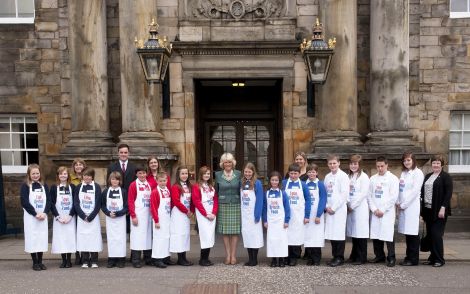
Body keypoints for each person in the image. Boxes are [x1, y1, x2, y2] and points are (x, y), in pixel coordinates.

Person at [421, 154, 453, 267]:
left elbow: (448, 194)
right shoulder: (428, 176)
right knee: (430, 235)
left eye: (438, 163)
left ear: (442, 164)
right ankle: (432, 258)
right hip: (428, 210)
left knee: (436, 235)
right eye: (434, 163)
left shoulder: (446, 177)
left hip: (439, 211)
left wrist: (443, 208)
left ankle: (439, 259)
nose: (435, 165)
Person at [368, 156, 399, 267]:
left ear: (387, 165)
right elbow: (369, 196)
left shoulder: (393, 179)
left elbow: (393, 197)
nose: (380, 168)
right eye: (378, 166)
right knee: (376, 234)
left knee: (388, 234)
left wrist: (383, 209)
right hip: (375, 211)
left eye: (382, 166)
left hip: (387, 212)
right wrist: (374, 209)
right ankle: (379, 255)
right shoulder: (372, 179)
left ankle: (391, 257)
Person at [20, 164, 51, 271]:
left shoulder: (44, 185)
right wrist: (35, 214)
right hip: (31, 218)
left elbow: (49, 201)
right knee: (33, 239)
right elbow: (24, 202)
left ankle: (41, 261)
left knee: (41, 239)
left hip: (42, 217)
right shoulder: (25, 186)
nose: (35, 175)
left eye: (37, 173)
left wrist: (45, 213)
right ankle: (35, 262)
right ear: (29, 174)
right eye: (33, 173)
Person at [397, 151, 424, 266]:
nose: (406, 162)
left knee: (412, 233)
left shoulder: (418, 173)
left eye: (408, 160)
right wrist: (398, 202)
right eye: (405, 160)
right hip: (403, 206)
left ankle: (413, 259)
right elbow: (400, 189)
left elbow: (414, 192)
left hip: (411, 206)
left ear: (413, 160)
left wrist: (403, 204)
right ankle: (408, 256)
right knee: (407, 233)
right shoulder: (404, 173)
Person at [214, 152, 242, 265]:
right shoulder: (217, 175)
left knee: (235, 231)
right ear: (222, 163)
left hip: (235, 204)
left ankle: (234, 255)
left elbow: (242, 189)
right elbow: (216, 190)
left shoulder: (239, 174)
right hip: (223, 204)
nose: (228, 164)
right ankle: (228, 255)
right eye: (225, 162)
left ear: (233, 163)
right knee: (225, 232)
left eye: (230, 162)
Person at [282, 163, 311, 266]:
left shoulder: (303, 185)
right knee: (286, 236)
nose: (293, 175)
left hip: (298, 215)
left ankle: (294, 257)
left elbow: (308, 200)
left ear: (299, 174)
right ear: (288, 173)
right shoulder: (284, 183)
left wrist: (307, 215)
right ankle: (286, 256)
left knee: (296, 236)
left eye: (295, 173)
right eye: (291, 173)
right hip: (286, 215)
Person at [74, 168, 103, 268]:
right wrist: (83, 216)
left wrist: (90, 217)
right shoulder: (78, 187)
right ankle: (85, 260)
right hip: (82, 218)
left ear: (92, 177)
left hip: (93, 217)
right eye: (85, 175)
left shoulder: (97, 187)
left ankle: (94, 260)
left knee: (93, 238)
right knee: (83, 238)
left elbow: (98, 203)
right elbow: (76, 203)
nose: (87, 177)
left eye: (89, 175)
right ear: (82, 176)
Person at [323, 154, 349, 267]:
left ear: (339, 163)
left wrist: (333, 208)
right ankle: (334, 256)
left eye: (334, 163)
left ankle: (339, 257)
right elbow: (325, 193)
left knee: (338, 233)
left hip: (338, 210)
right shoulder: (327, 176)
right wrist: (327, 206)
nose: (332, 165)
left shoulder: (343, 176)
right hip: (329, 209)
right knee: (332, 234)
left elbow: (344, 195)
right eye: (330, 163)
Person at [346, 155, 370, 265]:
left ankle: (361, 257)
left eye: (355, 164)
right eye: (351, 163)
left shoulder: (364, 177)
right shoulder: (349, 176)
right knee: (354, 232)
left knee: (360, 233)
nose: (353, 166)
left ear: (360, 165)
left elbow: (363, 194)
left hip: (359, 208)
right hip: (351, 207)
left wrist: (352, 205)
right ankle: (354, 254)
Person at [192, 166, 219, 266]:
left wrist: (214, 213)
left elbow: (215, 200)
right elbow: (196, 201)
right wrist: (206, 214)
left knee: (210, 236)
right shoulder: (196, 186)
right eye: (205, 173)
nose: (207, 175)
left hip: (211, 214)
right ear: (201, 174)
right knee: (205, 236)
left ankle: (206, 258)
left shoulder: (211, 186)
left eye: (208, 173)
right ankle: (202, 259)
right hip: (203, 215)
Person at [101, 171, 128, 268]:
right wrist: (108, 213)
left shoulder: (124, 191)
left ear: (119, 181)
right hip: (110, 219)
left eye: (117, 179)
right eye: (113, 179)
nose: (115, 181)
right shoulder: (105, 191)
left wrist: (118, 213)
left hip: (120, 219)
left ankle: (121, 259)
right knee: (111, 239)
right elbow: (102, 205)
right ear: (110, 180)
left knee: (120, 239)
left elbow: (126, 206)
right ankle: (112, 259)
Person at [263, 171, 290, 267]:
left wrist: (286, 221)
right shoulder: (266, 193)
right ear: (270, 181)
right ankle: (274, 259)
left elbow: (287, 208)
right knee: (272, 240)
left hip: (281, 221)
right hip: (271, 221)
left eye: (276, 180)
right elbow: (265, 208)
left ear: (279, 181)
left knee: (281, 240)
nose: (274, 182)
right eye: (272, 180)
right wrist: (265, 220)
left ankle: (282, 259)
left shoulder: (283, 193)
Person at [50, 166, 76, 268]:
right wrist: (57, 217)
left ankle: (69, 260)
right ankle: (63, 260)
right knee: (60, 238)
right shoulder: (53, 187)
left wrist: (70, 216)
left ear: (68, 175)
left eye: (65, 174)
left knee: (69, 238)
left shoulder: (72, 187)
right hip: (59, 218)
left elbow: (75, 203)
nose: (63, 176)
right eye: (61, 174)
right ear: (58, 175)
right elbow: (51, 203)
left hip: (70, 217)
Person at [128, 165, 153, 268]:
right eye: (140, 173)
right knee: (137, 237)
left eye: (144, 173)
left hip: (148, 215)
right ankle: (136, 259)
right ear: (136, 174)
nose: (142, 175)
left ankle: (148, 258)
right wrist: (133, 215)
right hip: (138, 215)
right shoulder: (133, 185)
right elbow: (130, 201)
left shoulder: (149, 184)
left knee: (148, 237)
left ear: (146, 173)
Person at [240, 162, 264, 266]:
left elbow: (259, 199)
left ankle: (255, 259)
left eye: (249, 171)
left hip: (254, 215)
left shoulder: (257, 183)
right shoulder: (241, 182)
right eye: (246, 171)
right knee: (247, 236)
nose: (247, 174)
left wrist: (257, 214)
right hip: (245, 215)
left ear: (253, 172)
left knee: (255, 236)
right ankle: (250, 259)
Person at [170, 166, 194, 266]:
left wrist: (191, 211)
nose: (184, 175)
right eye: (182, 174)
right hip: (178, 214)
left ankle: (184, 257)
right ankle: (180, 258)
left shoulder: (189, 186)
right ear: (178, 175)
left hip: (186, 214)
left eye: (186, 173)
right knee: (179, 235)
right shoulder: (175, 187)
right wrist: (186, 211)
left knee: (185, 235)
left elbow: (192, 200)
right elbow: (176, 201)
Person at [303, 163, 327, 266]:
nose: (311, 174)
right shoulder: (303, 184)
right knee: (308, 236)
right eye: (309, 172)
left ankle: (317, 258)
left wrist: (318, 214)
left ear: (316, 173)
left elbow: (323, 199)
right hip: (307, 214)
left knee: (316, 236)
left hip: (317, 214)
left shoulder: (320, 184)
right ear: (307, 173)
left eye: (313, 172)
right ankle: (310, 257)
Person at [150, 172, 173, 268]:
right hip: (159, 219)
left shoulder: (167, 190)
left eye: (164, 181)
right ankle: (157, 259)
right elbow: (153, 207)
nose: (163, 183)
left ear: (167, 181)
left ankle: (165, 257)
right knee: (158, 239)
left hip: (167, 218)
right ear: (157, 181)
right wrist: (156, 221)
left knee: (166, 238)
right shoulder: (155, 192)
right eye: (161, 181)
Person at [70, 158, 86, 265]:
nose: (78, 166)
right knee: (75, 231)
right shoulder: (70, 178)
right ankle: (77, 254)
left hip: (85, 208)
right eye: (76, 165)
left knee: (84, 231)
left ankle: (85, 253)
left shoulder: (87, 177)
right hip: (73, 208)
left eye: (80, 164)